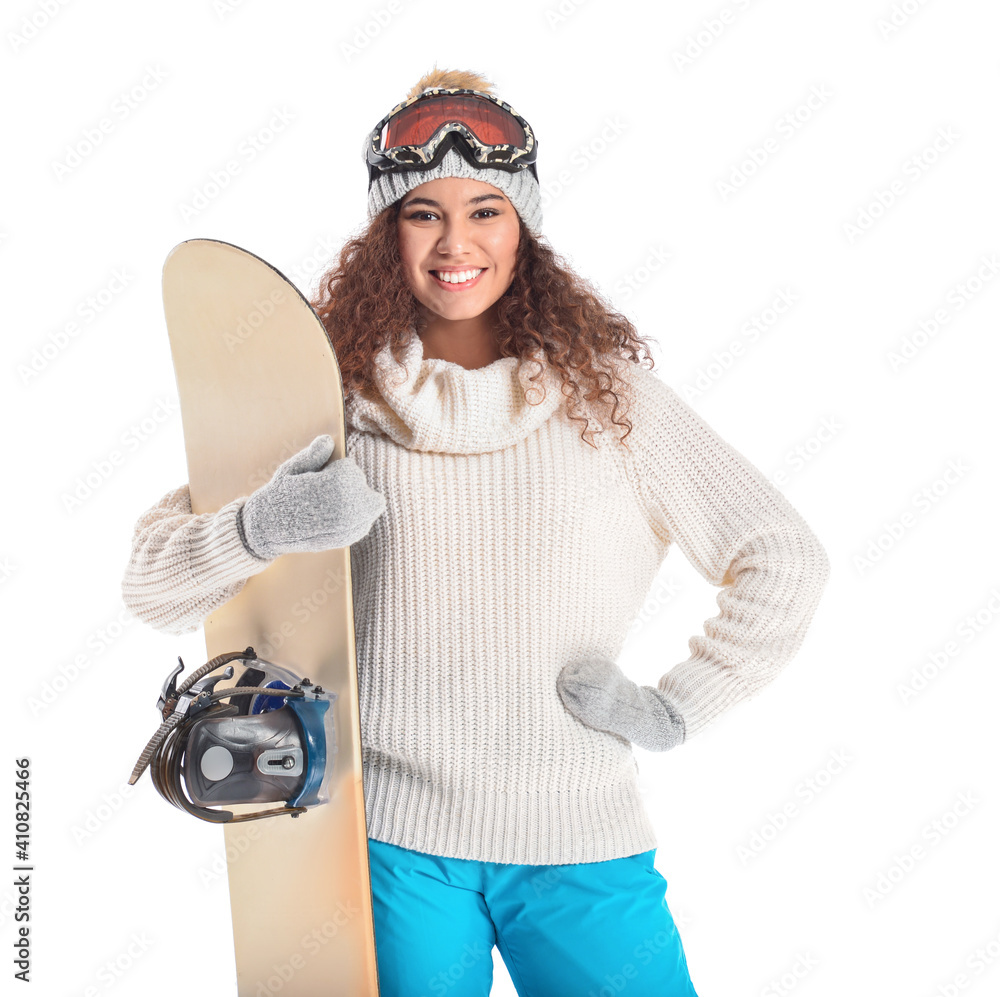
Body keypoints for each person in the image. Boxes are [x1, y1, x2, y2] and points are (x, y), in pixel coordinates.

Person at [122, 66, 830, 996]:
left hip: (580, 836)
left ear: (523, 228)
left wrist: (678, 703)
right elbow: (150, 586)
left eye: (487, 210)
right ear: (388, 232)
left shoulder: (614, 405)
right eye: (424, 213)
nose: (457, 242)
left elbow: (783, 558)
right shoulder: (327, 403)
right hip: (384, 842)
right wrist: (265, 522)